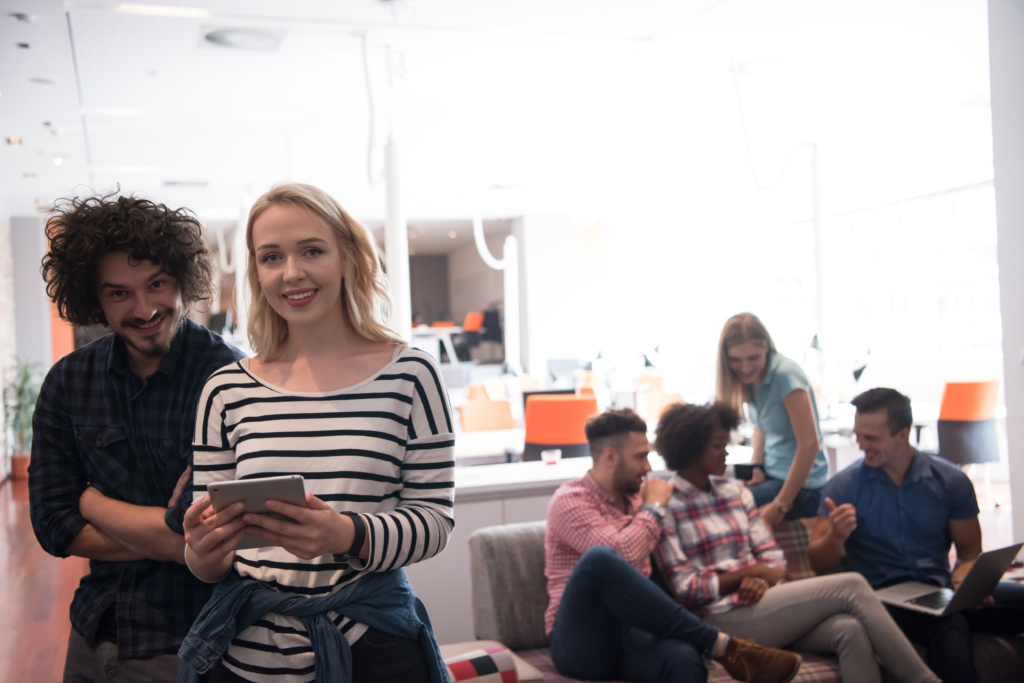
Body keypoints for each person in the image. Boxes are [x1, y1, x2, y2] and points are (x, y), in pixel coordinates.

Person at [180, 183, 453, 683]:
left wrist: (348, 534)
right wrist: (200, 550)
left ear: (348, 256)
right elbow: (207, 560)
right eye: (271, 257)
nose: (292, 273)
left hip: (375, 647)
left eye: (311, 250)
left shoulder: (412, 375)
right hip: (247, 655)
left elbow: (436, 521)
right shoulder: (225, 390)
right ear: (256, 271)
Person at [29, 192, 245, 682]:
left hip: (194, 642)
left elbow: (213, 535)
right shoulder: (69, 382)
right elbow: (50, 525)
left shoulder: (229, 379)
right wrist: (172, 539)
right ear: (94, 298)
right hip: (91, 633)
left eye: (157, 284)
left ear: (181, 280)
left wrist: (88, 501)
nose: (144, 309)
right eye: (119, 293)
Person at [655, 402, 941, 683]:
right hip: (718, 620)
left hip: (765, 604)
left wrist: (763, 579)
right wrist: (748, 574)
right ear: (691, 450)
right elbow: (685, 588)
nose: (727, 451)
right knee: (851, 585)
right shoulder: (667, 505)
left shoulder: (735, 493)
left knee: (850, 629)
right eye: (718, 445)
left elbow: (773, 557)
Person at [545, 407, 803, 683]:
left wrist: (754, 575)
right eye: (640, 457)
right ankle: (720, 645)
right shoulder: (571, 500)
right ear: (609, 456)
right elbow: (623, 555)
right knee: (600, 560)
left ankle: (715, 646)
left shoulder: (638, 500)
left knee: (683, 657)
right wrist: (654, 508)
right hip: (581, 639)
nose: (648, 467)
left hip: (633, 631)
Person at [807, 388, 1024, 683]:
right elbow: (818, 564)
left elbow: (970, 552)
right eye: (857, 435)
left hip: (940, 589)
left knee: (962, 608)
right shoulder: (843, 487)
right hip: (880, 602)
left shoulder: (951, 482)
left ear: (902, 433)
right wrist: (834, 536)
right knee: (948, 624)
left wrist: (964, 587)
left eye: (871, 438)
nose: (861, 445)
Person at [716, 312, 828, 526]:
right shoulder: (750, 380)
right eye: (736, 360)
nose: (746, 367)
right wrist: (757, 467)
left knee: (730, 507)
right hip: (773, 474)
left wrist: (780, 505)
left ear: (767, 348)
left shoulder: (785, 374)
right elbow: (761, 427)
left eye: (753, 358)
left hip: (805, 485)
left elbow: (809, 445)